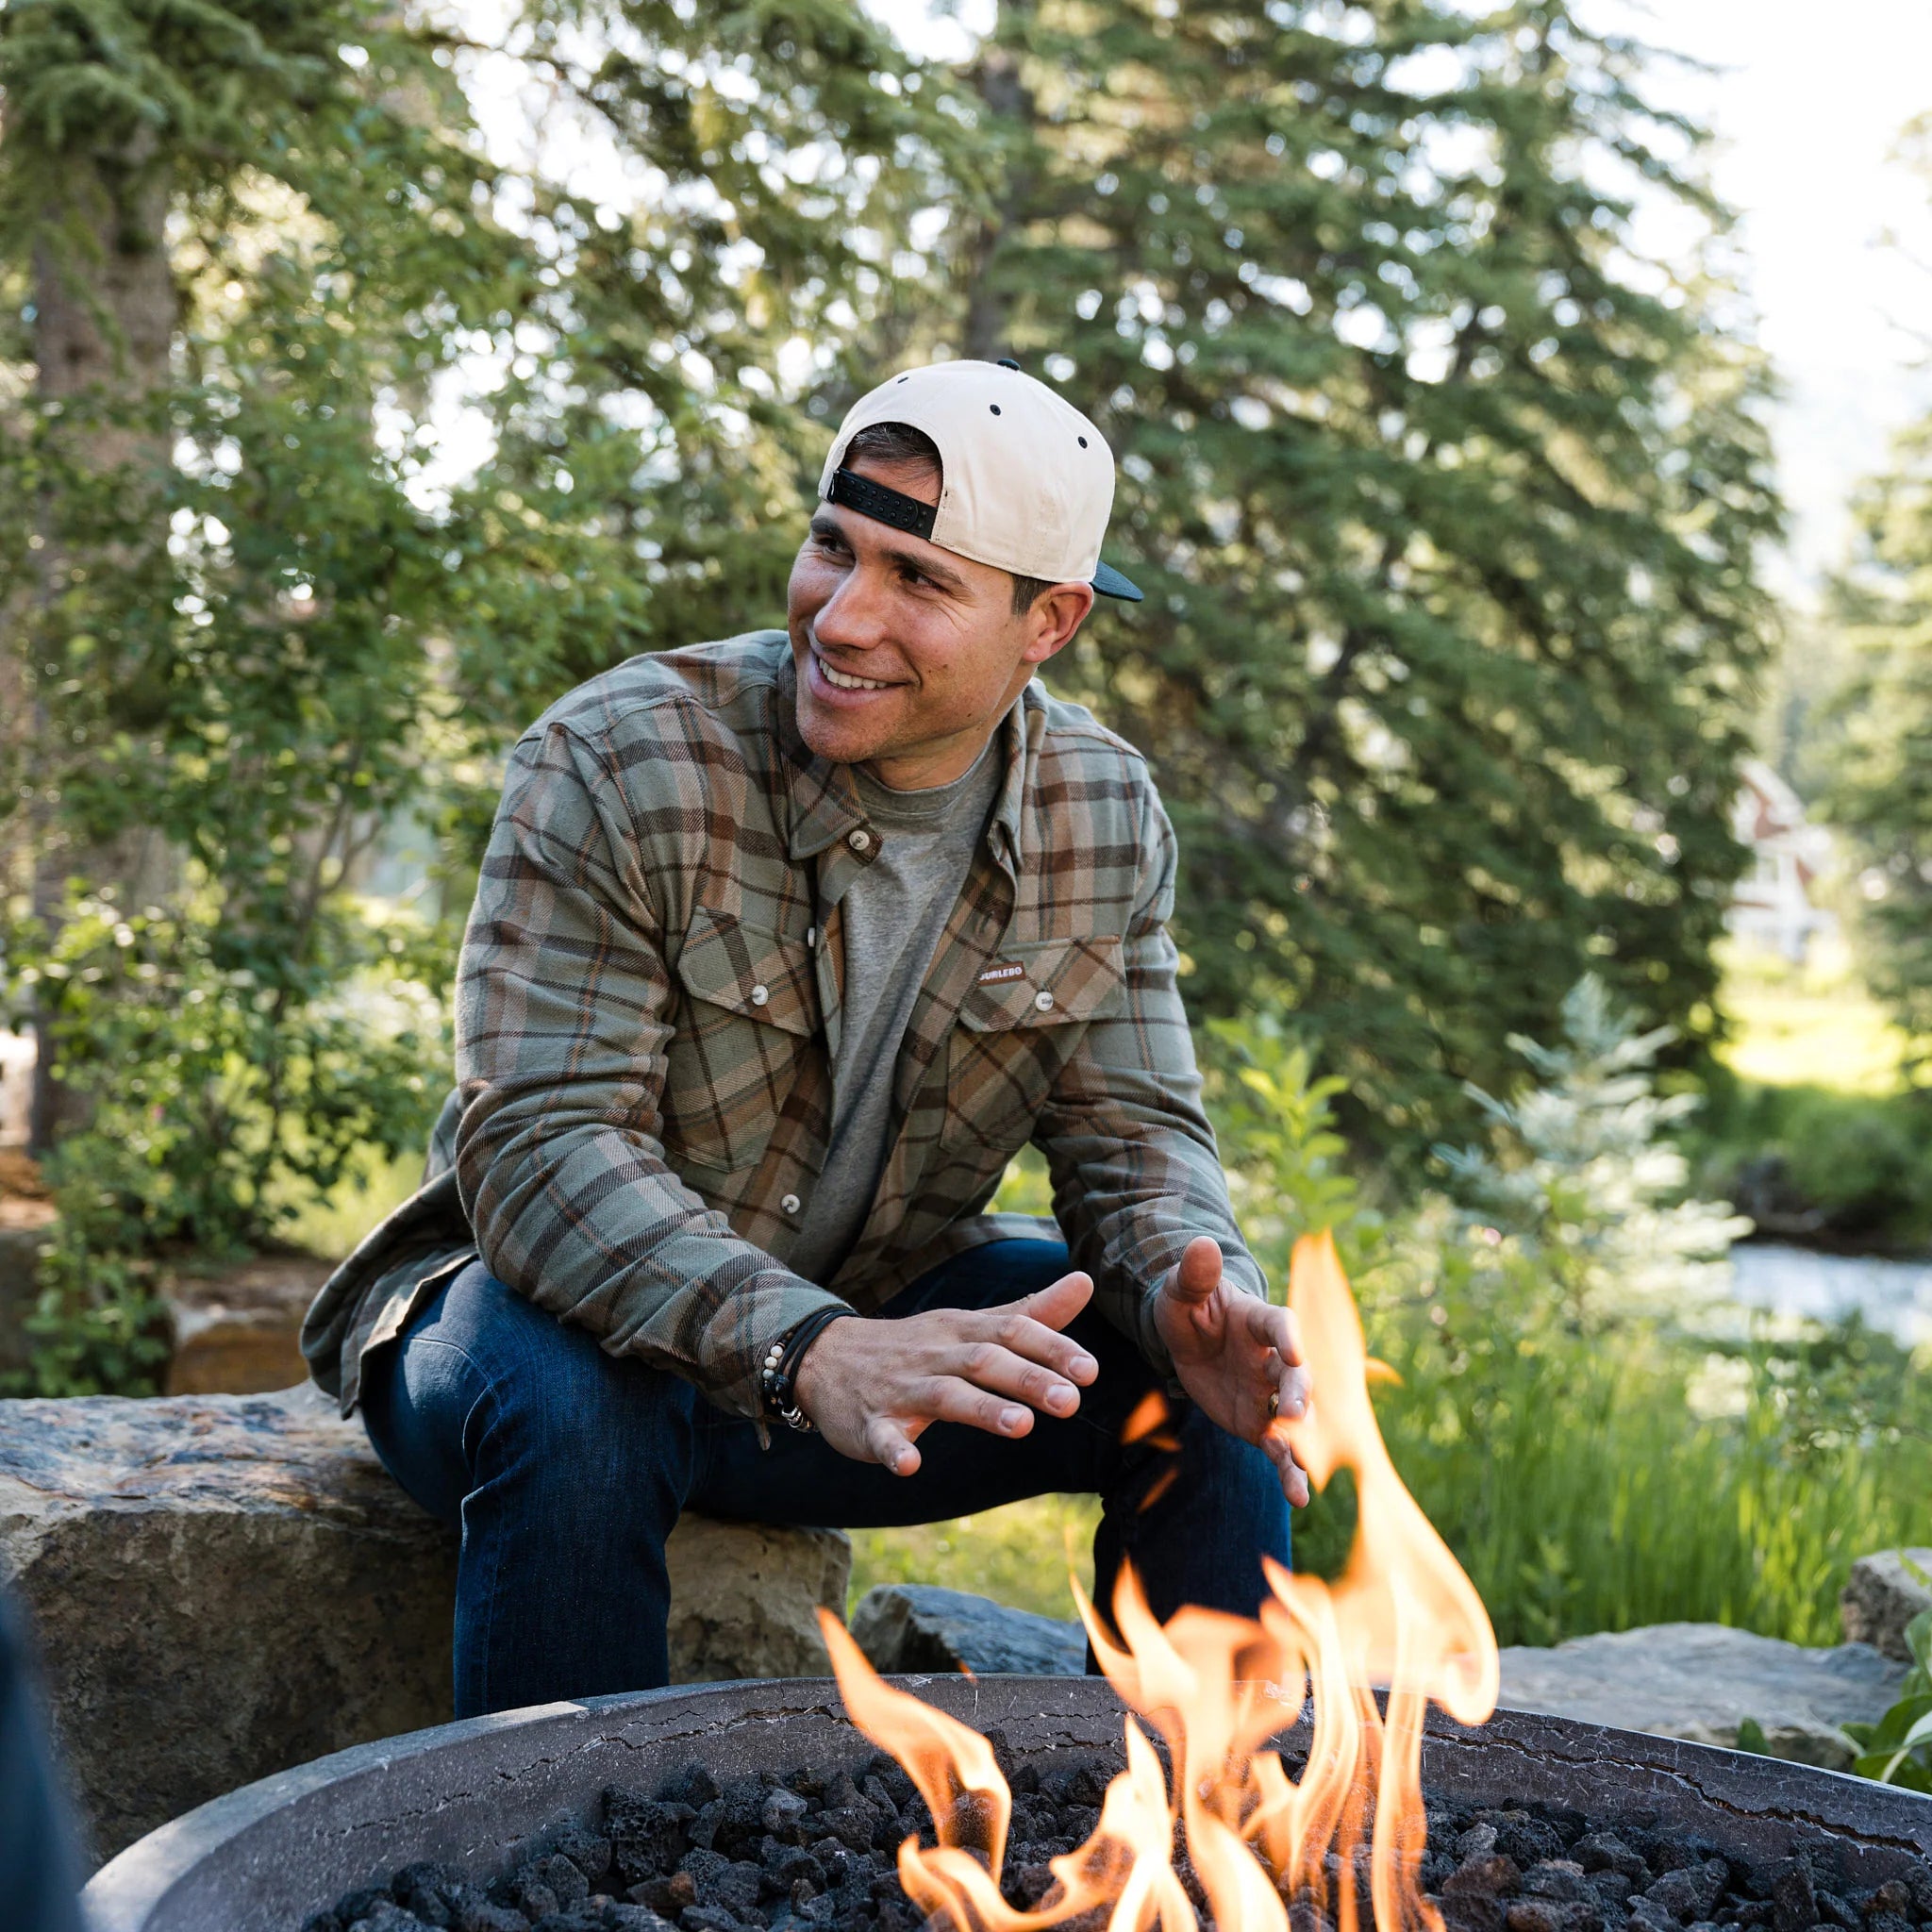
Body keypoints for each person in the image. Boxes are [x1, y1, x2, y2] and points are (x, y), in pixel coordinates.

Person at [302, 358, 1312, 1718]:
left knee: (1189, 1393)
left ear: (1050, 622)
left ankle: (1190, 1867)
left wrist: (1197, 1296)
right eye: (835, 548)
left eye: (920, 579)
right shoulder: (621, 757)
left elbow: (1134, 1141)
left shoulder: (1104, 812)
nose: (843, 617)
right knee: (572, 1405)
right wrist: (806, 1347)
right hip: (559, 1336)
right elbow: (539, 1149)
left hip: (864, 1320)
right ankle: (553, 1869)